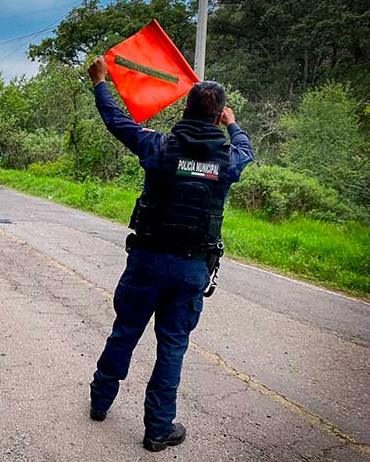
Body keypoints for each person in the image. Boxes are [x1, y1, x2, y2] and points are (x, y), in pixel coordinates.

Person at [86, 55, 253, 452]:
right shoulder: (227, 160)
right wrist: (233, 124)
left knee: (125, 332)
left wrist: (99, 83)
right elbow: (245, 149)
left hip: (147, 260)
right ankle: (158, 430)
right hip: (192, 267)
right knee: (172, 347)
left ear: (183, 108)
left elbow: (116, 122)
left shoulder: (158, 146)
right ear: (217, 118)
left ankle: (99, 402)